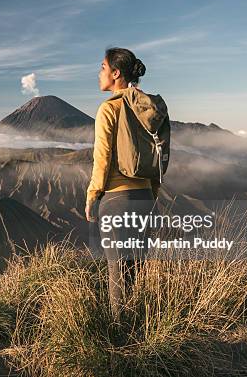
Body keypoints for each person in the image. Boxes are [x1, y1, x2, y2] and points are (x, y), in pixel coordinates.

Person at [85, 47, 160, 321]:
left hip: (117, 202)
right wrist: (152, 195)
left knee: (118, 276)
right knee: (136, 274)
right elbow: (156, 156)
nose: (99, 73)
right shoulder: (146, 110)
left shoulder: (109, 109)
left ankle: (122, 344)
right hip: (145, 199)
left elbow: (102, 157)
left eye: (103, 68)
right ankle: (142, 336)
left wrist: (93, 194)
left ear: (116, 73)